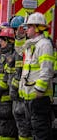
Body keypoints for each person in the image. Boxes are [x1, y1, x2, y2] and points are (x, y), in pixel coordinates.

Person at [16, 12, 54, 140]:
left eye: (29, 27)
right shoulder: (31, 44)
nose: (27, 29)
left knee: (41, 131)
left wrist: (39, 90)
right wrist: (20, 37)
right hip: (29, 97)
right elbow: (19, 51)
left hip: (39, 98)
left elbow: (47, 70)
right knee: (32, 130)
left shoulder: (44, 45)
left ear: (38, 28)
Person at [10, 16, 33, 139]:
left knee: (24, 121)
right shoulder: (21, 45)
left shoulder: (29, 46)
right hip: (20, 89)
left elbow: (19, 70)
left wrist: (14, 87)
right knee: (20, 119)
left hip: (24, 89)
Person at [0, 26, 17, 139]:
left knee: (5, 120)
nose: (0, 43)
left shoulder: (11, 57)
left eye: (2, 40)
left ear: (9, 41)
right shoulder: (2, 54)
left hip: (5, 95)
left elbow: (9, 76)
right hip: (0, 94)